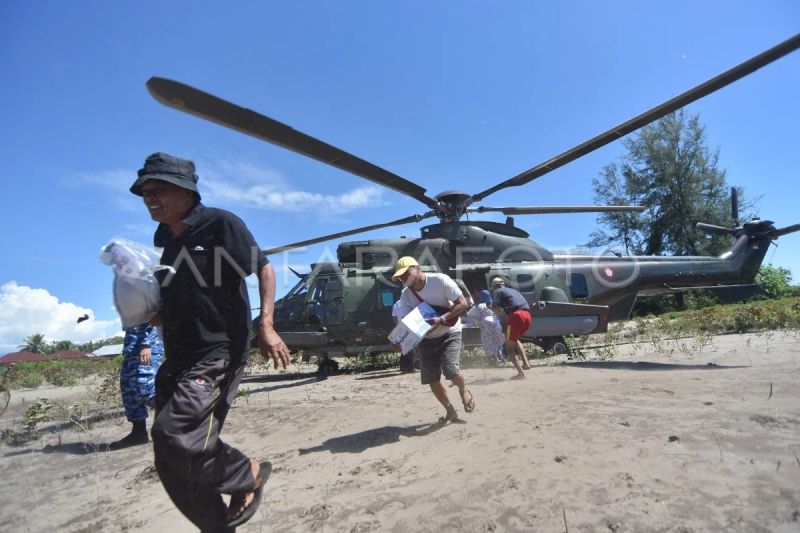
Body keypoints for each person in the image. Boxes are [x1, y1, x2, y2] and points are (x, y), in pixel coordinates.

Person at [130, 152, 291, 531]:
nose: (150, 198)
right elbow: (172, 307)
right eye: (145, 192)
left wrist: (266, 325)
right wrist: (144, 310)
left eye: (159, 189)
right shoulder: (165, 243)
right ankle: (216, 525)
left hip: (218, 350)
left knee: (175, 431)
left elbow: (263, 268)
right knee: (168, 454)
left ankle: (247, 473)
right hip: (179, 356)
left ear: (186, 190)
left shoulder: (221, 223)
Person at [392, 257, 474, 423]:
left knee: (451, 370)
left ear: (417, 268)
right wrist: (400, 341)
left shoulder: (440, 280)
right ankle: (450, 411)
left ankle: (463, 389)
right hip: (426, 338)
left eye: (405, 274)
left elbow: (463, 304)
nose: (402, 279)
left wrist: (442, 318)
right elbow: (408, 323)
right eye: (400, 277)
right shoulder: (405, 295)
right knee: (431, 378)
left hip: (450, 331)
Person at [109, 322, 163, 450]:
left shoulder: (146, 301)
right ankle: (138, 433)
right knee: (129, 389)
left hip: (147, 347)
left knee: (145, 390)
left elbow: (152, 314)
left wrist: (146, 343)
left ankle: (182, 421)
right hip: (132, 348)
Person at [490, 277, 533, 379]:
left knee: (509, 347)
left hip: (515, 317)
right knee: (514, 339)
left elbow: (497, 309)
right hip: (527, 315)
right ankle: (526, 363)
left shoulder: (497, 291)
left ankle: (521, 373)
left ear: (495, 286)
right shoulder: (512, 290)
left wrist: (490, 308)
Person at [467, 290, 505, 365]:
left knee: (487, 343)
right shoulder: (493, 304)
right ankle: (501, 359)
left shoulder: (479, 306)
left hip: (486, 327)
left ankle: (492, 361)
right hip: (497, 326)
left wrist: (477, 319)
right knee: (497, 342)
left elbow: (469, 314)